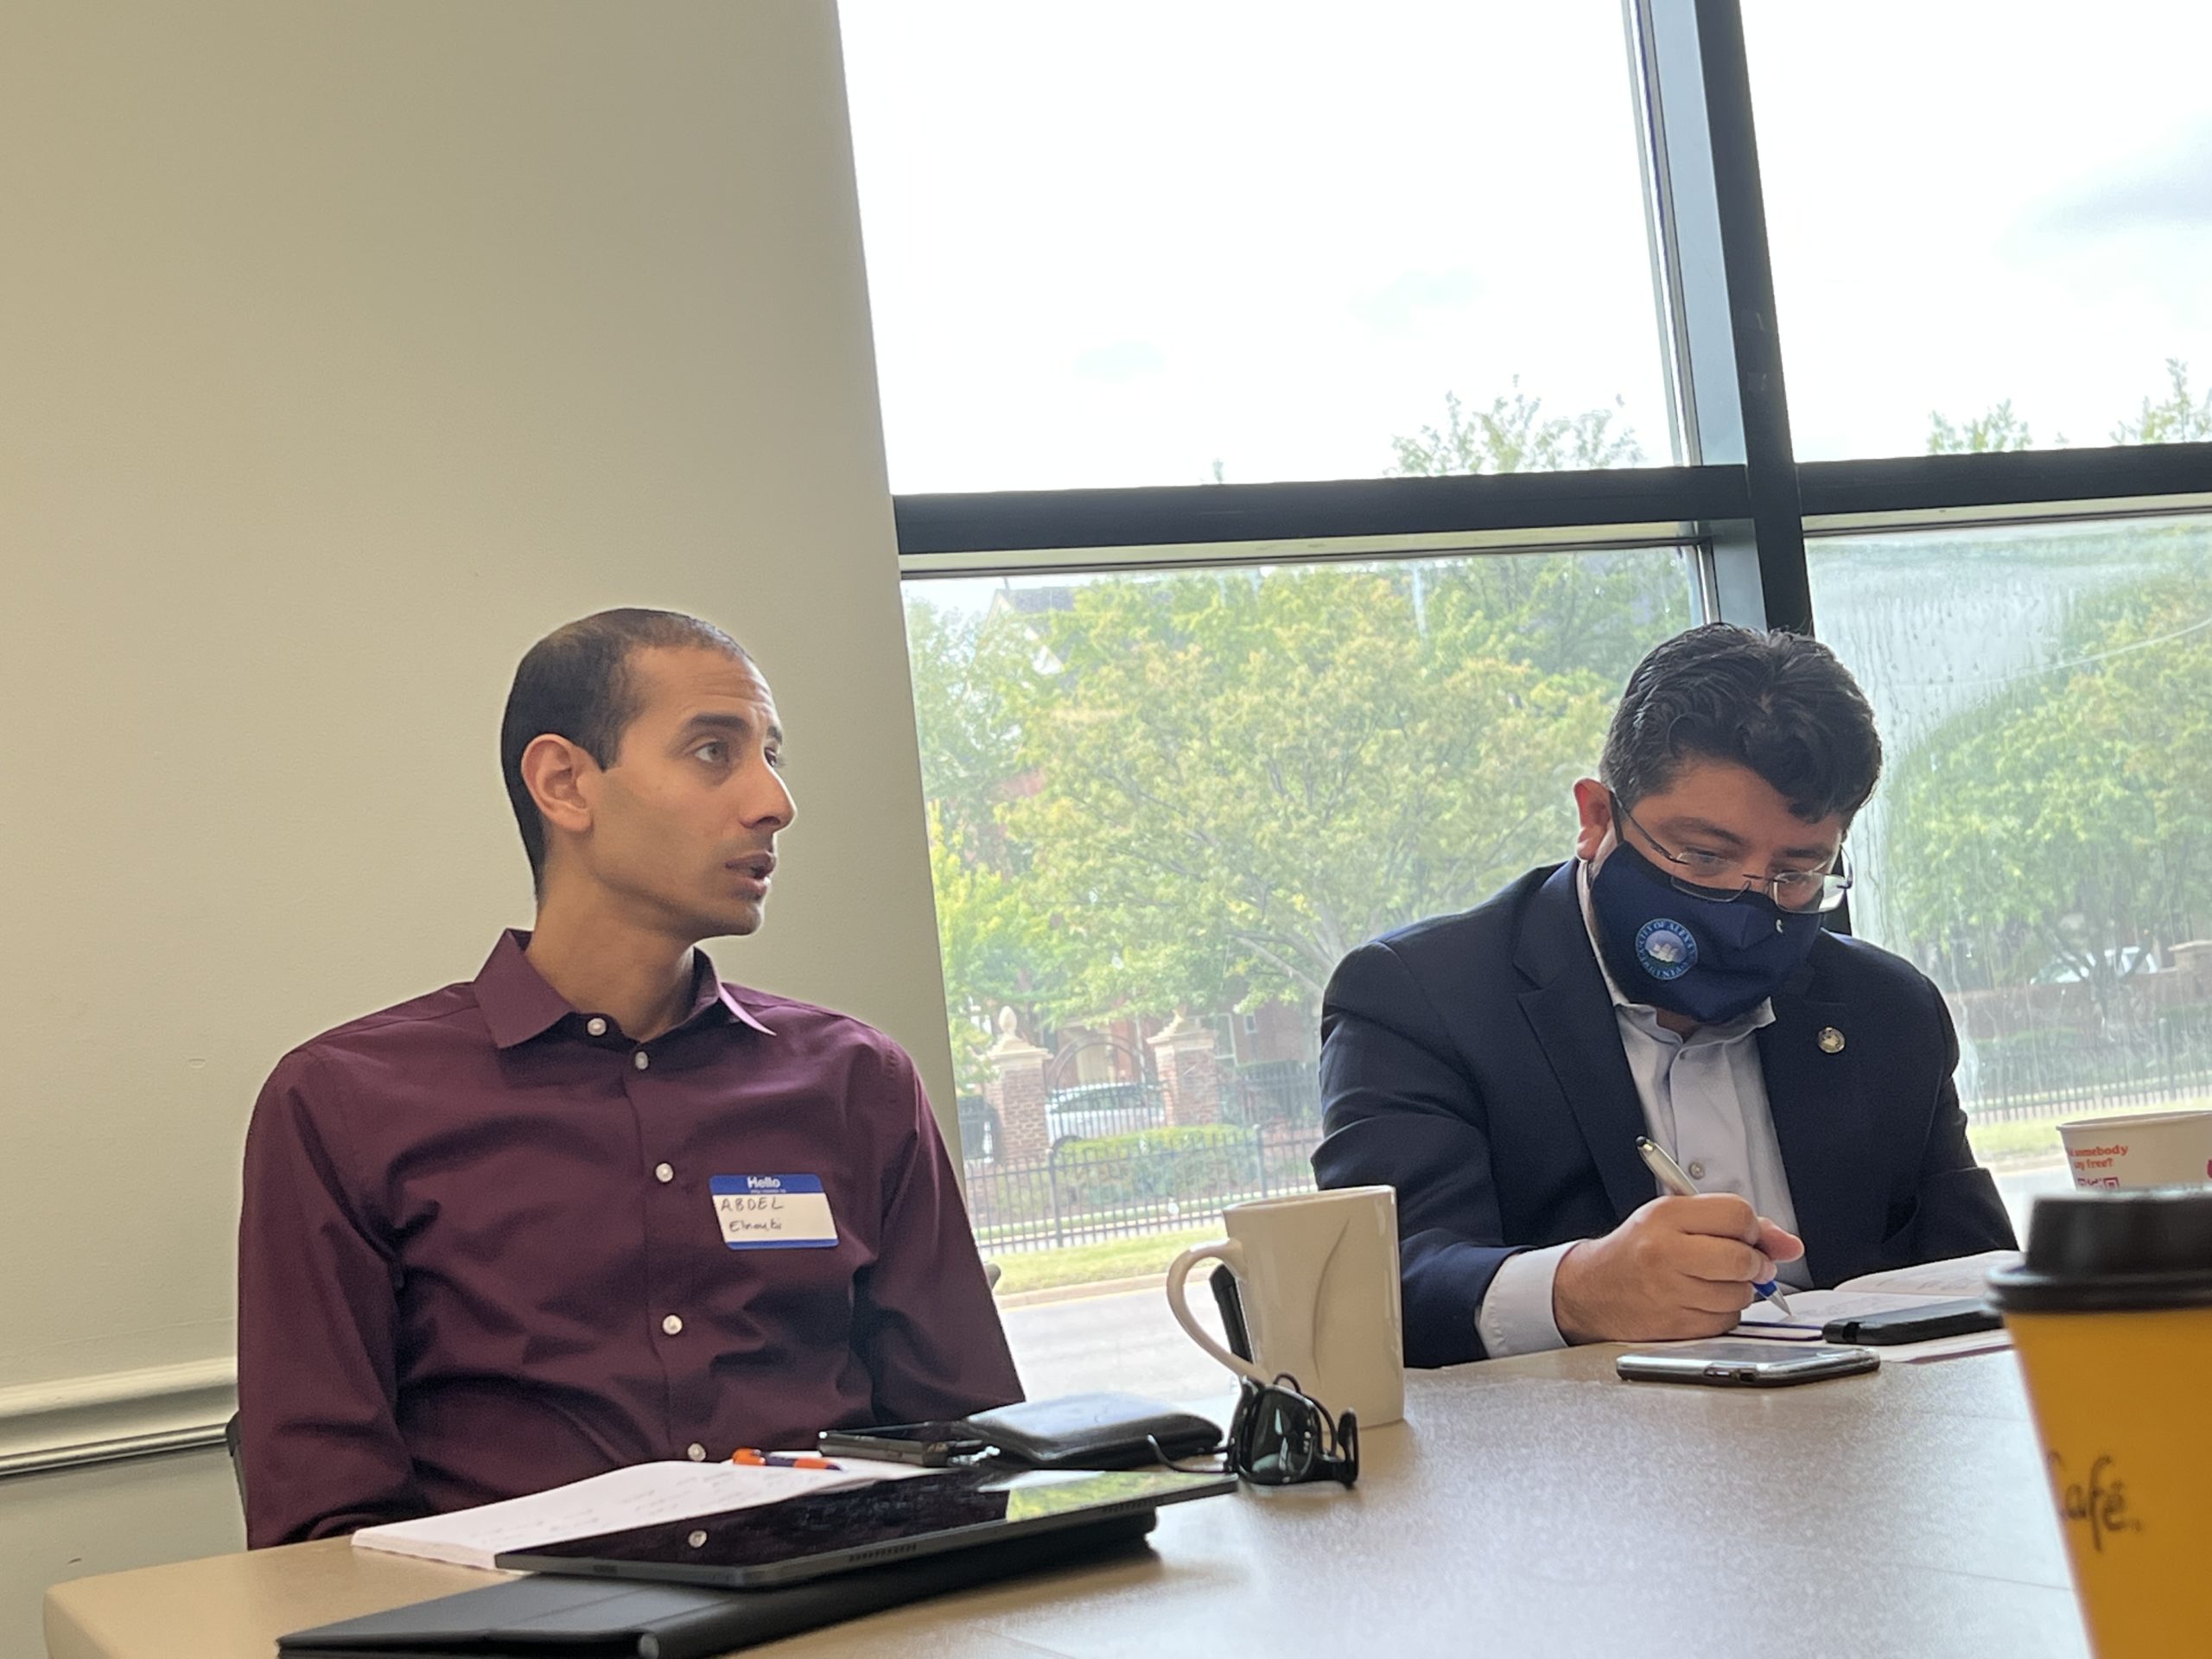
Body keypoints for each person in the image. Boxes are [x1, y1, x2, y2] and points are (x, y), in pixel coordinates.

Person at [237, 608, 1019, 1546]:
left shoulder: (858, 1082)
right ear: (565, 783)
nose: (773, 801)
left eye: (770, 753)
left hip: (839, 1616)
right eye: (712, 752)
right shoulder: (343, 1103)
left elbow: (966, 1445)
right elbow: (325, 1529)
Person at [1312, 623, 2014, 1368]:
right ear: (1596, 818)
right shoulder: (1423, 998)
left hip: (1868, 1444)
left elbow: (1983, 1285)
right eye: (1704, 856)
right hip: (1570, 1463)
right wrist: (1573, 1291)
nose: (1748, 913)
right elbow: (1376, 1285)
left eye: (1797, 871)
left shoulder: (1887, 1010)